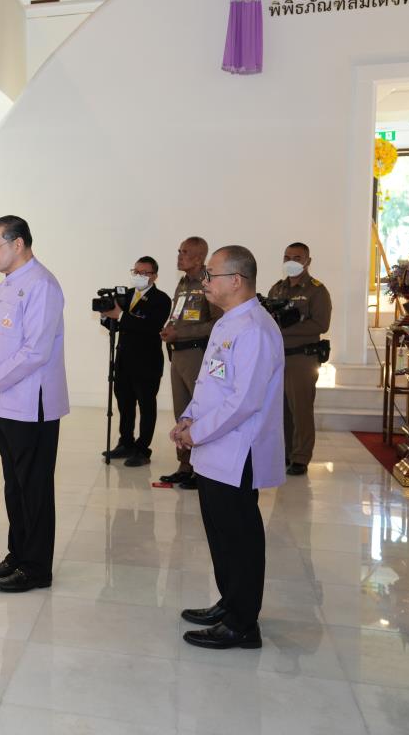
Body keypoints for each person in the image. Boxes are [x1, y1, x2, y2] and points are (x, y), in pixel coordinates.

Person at [170, 245, 283, 649]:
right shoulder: (226, 323)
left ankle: (242, 623)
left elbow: (244, 401)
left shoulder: (254, 328)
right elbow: (210, 384)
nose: (204, 282)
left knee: (239, 537)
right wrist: (188, 418)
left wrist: (196, 433)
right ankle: (229, 602)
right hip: (214, 448)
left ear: (235, 281)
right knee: (220, 533)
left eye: (210, 275)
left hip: (238, 450)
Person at [0, 216, 69, 593]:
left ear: (18, 244)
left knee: (34, 489)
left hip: (32, 405)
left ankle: (36, 568)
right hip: (5, 403)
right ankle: (18, 554)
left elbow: (35, 351)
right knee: (15, 486)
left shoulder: (42, 285)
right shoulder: (6, 286)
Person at [159, 237, 222, 490]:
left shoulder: (209, 282)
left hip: (198, 353)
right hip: (178, 354)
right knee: (182, 412)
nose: (179, 256)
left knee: (200, 413)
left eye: (185, 252)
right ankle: (185, 465)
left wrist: (181, 333)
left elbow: (217, 323)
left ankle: (202, 469)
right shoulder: (183, 283)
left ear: (199, 258)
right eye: (179, 251)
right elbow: (179, 315)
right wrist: (169, 328)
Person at [266, 242, 332, 476]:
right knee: (281, 408)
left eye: (297, 257)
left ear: (307, 261)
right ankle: (286, 451)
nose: (291, 261)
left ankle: (301, 457)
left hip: (302, 358)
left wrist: (285, 328)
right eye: (287, 257)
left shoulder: (317, 290)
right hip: (278, 358)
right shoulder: (277, 289)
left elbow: (321, 324)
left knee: (300, 408)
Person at [99, 257, 172, 466]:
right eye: (136, 271)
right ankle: (126, 442)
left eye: (144, 273)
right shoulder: (127, 295)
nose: (139, 276)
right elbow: (116, 326)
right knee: (125, 404)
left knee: (146, 406)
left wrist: (120, 316)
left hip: (147, 363)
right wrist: (106, 315)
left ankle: (142, 449)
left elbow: (151, 326)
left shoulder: (161, 299)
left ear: (154, 276)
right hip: (123, 360)